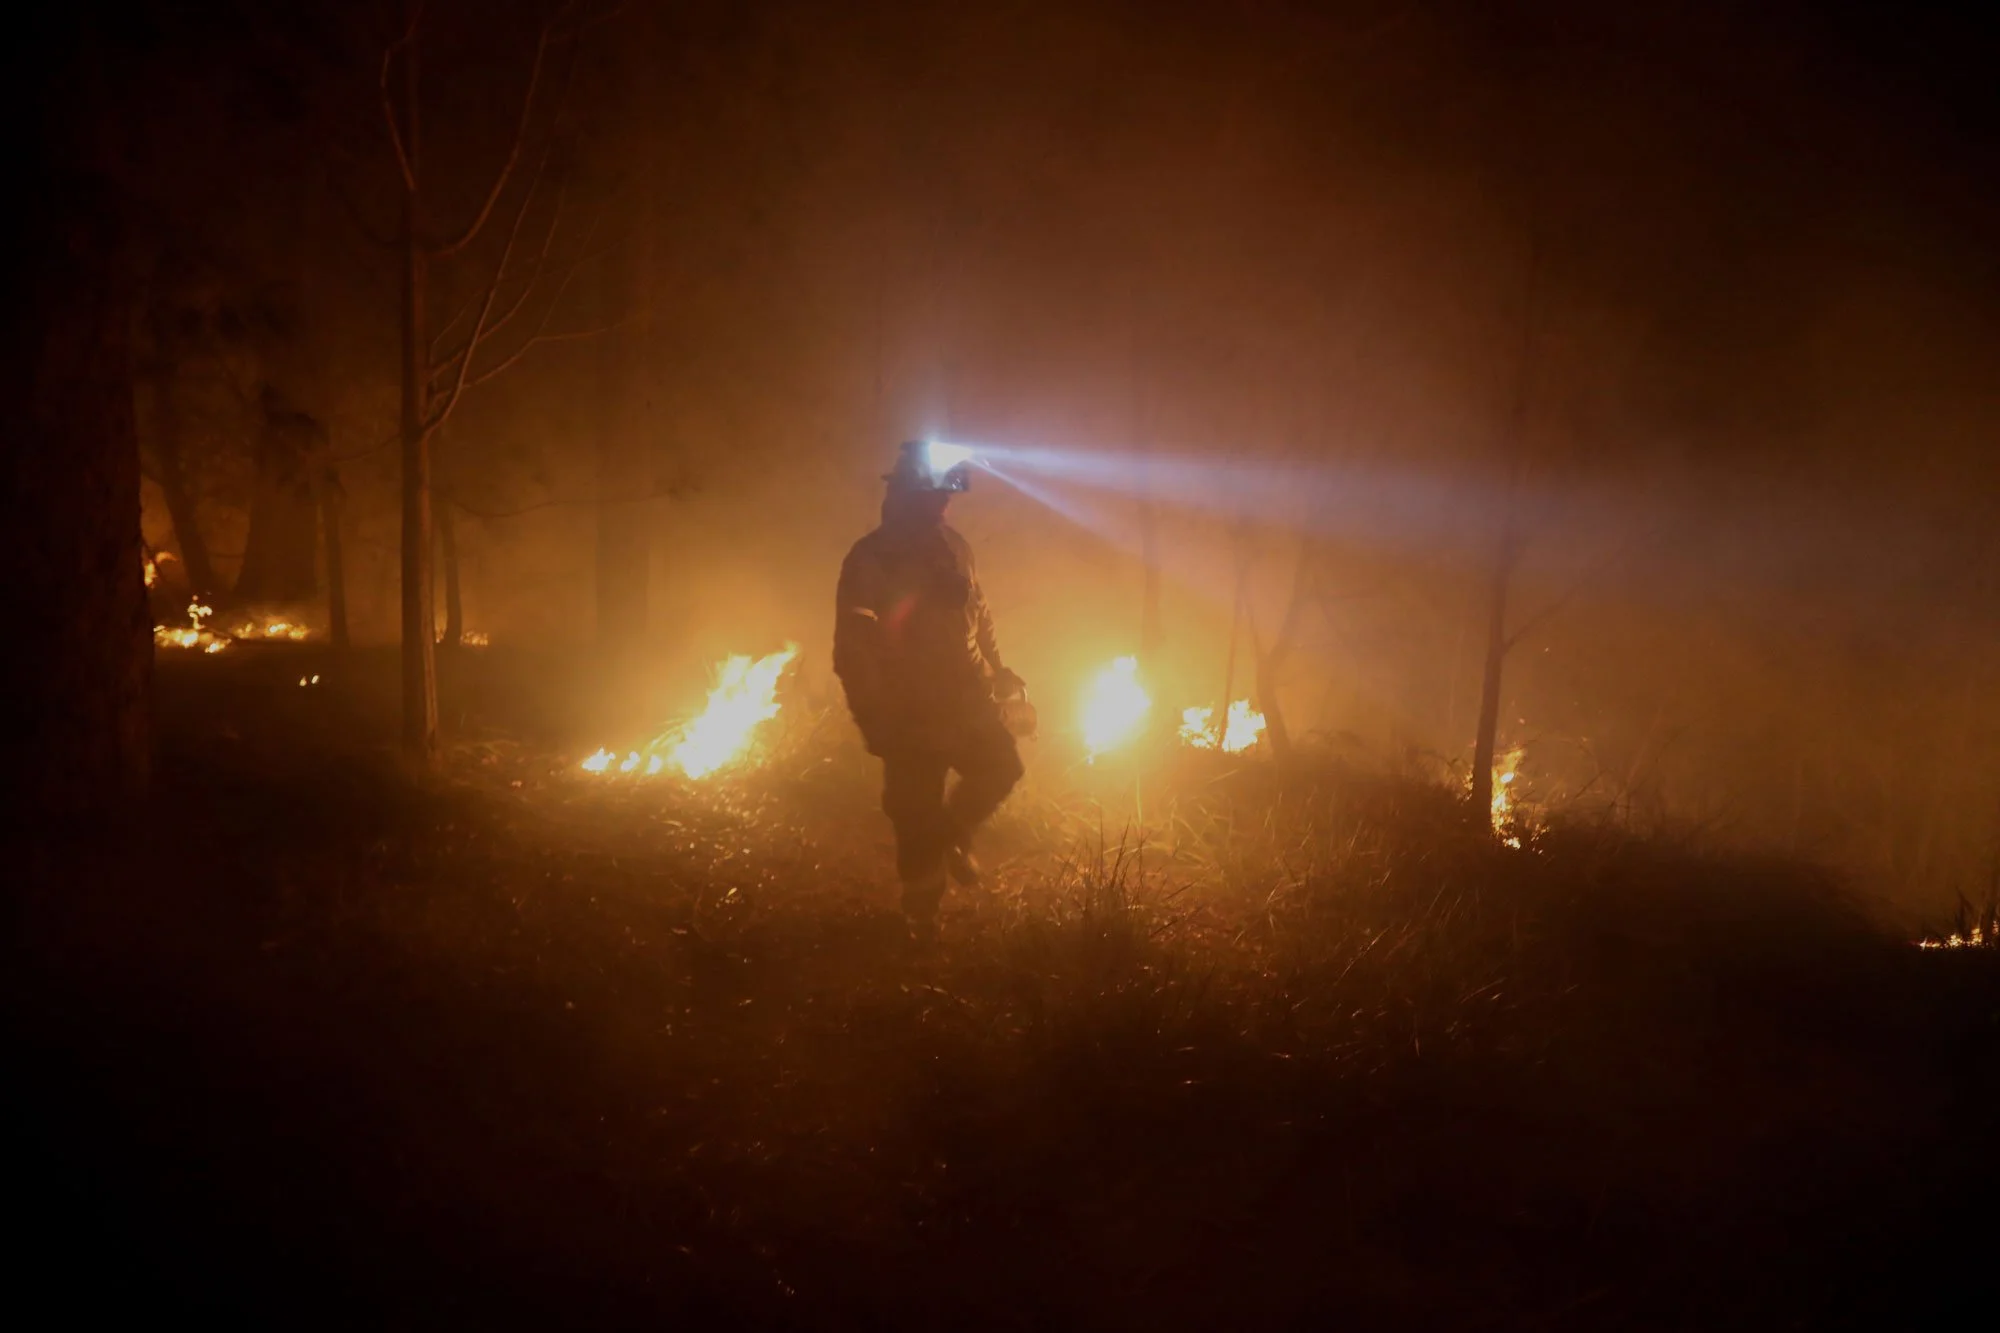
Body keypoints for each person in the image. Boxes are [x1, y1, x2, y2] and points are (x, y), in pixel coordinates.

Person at [834, 441, 1028, 938]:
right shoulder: (872, 557)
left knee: (1001, 767)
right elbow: (852, 645)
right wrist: (871, 714)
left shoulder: (956, 547)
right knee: (914, 807)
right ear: (906, 492)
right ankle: (920, 916)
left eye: (948, 493)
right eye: (935, 493)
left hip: (965, 694)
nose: (945, 502)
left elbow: (979, 612)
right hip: (907, 704)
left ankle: (950, 835)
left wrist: (999, 669)